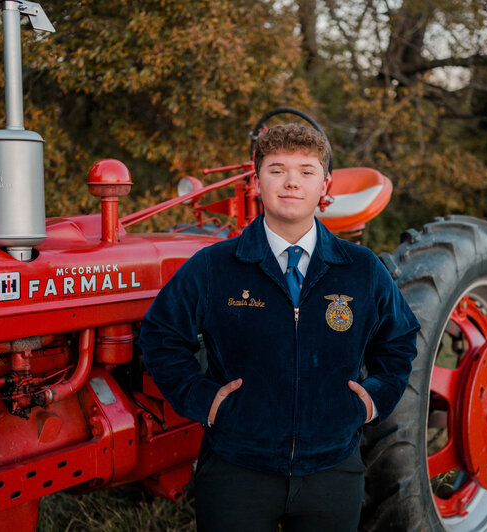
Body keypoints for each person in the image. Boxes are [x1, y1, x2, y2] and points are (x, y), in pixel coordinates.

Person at [140, 123, 420, 532]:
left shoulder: (362, 270)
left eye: (306, 171)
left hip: (333, 470)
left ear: (325, 185)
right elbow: (160, 336)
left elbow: (399, 340)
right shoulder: (214, 266)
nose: (291, 182)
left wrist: (372, 401)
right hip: (236, 469)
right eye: (277, 170)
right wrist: (203, 399)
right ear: (257, 181)